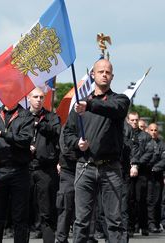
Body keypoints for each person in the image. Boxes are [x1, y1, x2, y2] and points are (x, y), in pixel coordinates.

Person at [63, 59, 130, 243]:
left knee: (114, 221)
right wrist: (77, 143)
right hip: (85, 167)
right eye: (100, 71)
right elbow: (67, 133)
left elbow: (116, 109)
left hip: (111, 168)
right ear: (93, 74)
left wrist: (90, 105)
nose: (104, 75)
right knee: (81, 221)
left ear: (112, 76)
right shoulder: (80, 105)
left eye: (107, 72)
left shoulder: (119, 100)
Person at [0, 103, 34, 243]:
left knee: (20, 217)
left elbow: (25, 139)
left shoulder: (25, 114)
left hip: (19, 170)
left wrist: (2, 134)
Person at [27, 87, 60, 243]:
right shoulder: (21, 116)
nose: (39, 100)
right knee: (23, 212)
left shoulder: (51, 117)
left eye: (41, 97)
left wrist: (39, 124)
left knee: (47, 212)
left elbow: (55, 132)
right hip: (25, 168)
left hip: (45, 169)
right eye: (35, 97)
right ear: (28, 98)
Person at [126, 111, 152, 236]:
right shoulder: (125, 134)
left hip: (141, 172)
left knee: (141, 199)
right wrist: (130, 164)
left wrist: (136, 164)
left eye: (136, 120)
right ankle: (130, 227)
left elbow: (149, 152)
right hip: (127, 171)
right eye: (132, 120)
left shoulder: (145, 136)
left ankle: (144, 226)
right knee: (129, 199)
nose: (135, 122)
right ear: (128, 121)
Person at [145, 123, 165, 233]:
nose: (153, 132)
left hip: (157, 175)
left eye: (155, 130)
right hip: (145, 175)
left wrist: (155, 167)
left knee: (157, 200)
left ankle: (155, 223)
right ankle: (149, 223)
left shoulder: (162, 144)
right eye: (151, 130)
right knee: (148, 200)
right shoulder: (144, 142)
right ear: (148, 130)